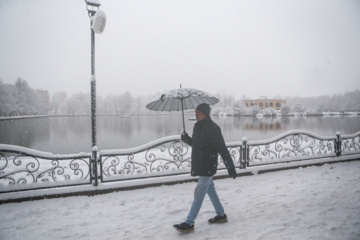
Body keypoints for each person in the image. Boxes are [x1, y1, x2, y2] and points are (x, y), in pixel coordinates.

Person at [173, 103, 237, 233]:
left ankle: (189, 222)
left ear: (204, 113)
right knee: (210, 188)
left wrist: (230, 166)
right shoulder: (197, 127)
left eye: (198, 112)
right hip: (200, 163)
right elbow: (197, 144)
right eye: (195, 112)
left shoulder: (214, 128)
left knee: (200, 191)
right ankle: (221, 215)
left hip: (208, 165)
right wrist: (187, 139)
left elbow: (222, 149)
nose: (195, 115)